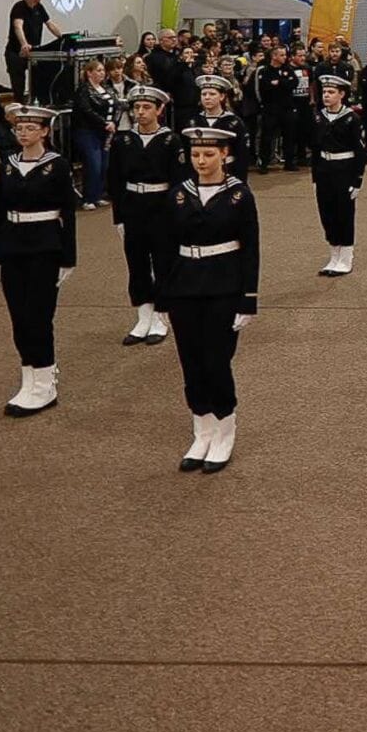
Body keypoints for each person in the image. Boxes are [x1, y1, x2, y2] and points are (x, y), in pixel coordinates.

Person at [160, 125, 259, 473]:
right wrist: (163, 295)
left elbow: (250, 249)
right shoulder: (178, 195)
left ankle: (224, 430)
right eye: (195, 154)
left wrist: (248, 298)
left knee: (216, 361)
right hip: (185, 285)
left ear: (225, 154)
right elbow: (166, 247)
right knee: (191, 361)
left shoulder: (239, 195)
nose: (201, 161)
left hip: (224, 285)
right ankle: (201, 431)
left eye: (208, 154)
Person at [0, 105, 77, 417]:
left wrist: (68, 258)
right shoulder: (8, 165)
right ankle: (29, 378)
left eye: (30, 128)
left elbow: (68, 212)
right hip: (13, 245)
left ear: (44, 131)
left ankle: (45, 382)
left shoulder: (57, 165)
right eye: (19, 127)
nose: (23, 133)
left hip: (45, 245)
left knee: (38, 316)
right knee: (19, 317)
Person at [108, 85, 177, 347]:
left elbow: (179, 182)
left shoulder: (171, 141)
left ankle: (161, 316)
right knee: (136, 262)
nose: (140, 112)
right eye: (136, 107)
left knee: (162, 261)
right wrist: (119, 217)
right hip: (133, 207)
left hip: (161, 207)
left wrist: (177, 216)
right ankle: (143, 314)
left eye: (147, 107)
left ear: (159, 109)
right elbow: (114, 181)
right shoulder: (123, 141)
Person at [311, 75, 365, 276]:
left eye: (331, 92)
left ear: (342, 94)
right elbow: (315, 149)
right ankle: (334, 255)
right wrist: (315, 178)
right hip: (324, 170)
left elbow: (360, 152)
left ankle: (346, 256)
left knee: (344, 214)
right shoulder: (319, 117)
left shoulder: (351, 118)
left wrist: (357, 180)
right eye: (324, 92)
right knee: (327, 214)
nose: (326, 95)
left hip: (344, 170)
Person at [71, 59, 115, 211]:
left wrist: (113, 122)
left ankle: (98, 195)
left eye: (103, 70)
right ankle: (88, 198)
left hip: (105, 131)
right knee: (93, 164)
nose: (102, 73)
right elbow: (86, 110)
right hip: (87, 131)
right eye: (98, 70)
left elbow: (114, 105)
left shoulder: (106, 88)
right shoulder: (83, 90)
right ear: (89, 73)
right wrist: (104, 122)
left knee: (104, 164)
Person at [189, 74, 251, 181]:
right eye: (204, 94)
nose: (207, 97)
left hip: (227, 172)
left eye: (212, 94)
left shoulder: (234, 122)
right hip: (200, 175)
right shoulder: (194, 121)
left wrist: (239, 181)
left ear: (222, 96)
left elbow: (242, 156)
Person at [5, 0, 51, 102]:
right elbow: (18, 26)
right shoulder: (19, 7)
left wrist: (62, 37)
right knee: (18, 82)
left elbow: (49, 24)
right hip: (16, 52)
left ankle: (35, 101)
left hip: (34, 52)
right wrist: (24, 44)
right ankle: (20, 104)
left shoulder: (39, 7)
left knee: (37, 79)